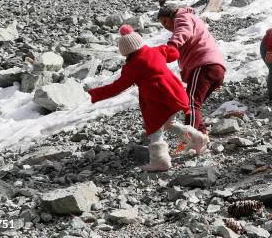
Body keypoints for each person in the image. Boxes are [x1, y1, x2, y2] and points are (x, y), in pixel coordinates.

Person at [87, 25, 208, 171]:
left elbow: (118, 87)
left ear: (125, 52)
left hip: (156, 98)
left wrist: (96, 93)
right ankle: (197, 138)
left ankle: (160, 161)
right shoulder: (157, 51)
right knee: (169, 123)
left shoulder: (132, 66)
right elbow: (174, 54)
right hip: (174, 92)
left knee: (155, 129)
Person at [157, 0, 226, 138]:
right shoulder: (189, 17)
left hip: (204, 65)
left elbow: (184, 30)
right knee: (194, 105)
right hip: (214, 67)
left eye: (165, 22)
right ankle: (201, 137)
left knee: (191, 104)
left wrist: (172, 46)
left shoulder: (182, 17)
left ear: (172, 16)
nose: (165, 27)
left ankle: (190, 138)